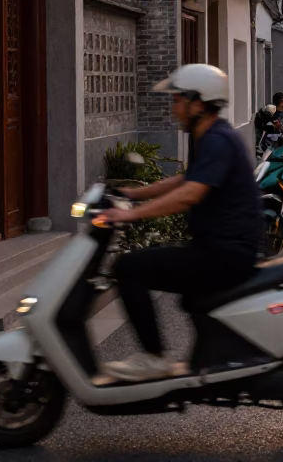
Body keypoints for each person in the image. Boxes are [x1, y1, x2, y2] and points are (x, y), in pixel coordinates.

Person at [98, 64, 263, 381]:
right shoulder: (212, 136)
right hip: (219, 249)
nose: (174, 109)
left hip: (225, 254)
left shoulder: (217, 140)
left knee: (129, 268)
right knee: (144, 267)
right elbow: (184, 180)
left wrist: (130, 214)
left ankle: (154, 358)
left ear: (197, 103)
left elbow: (190, 194)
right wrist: (131, 193)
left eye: (177, 101)